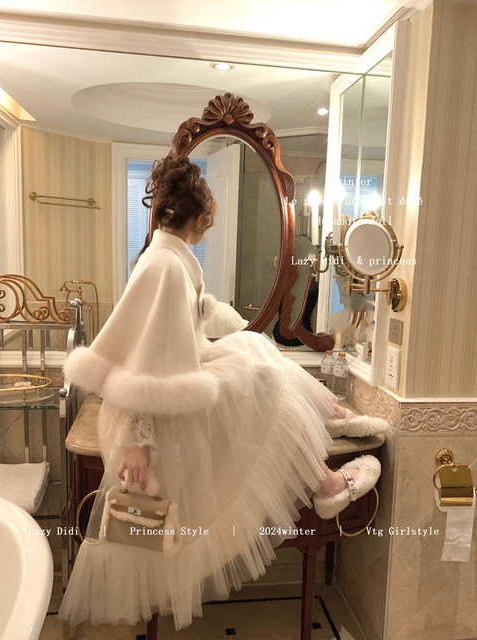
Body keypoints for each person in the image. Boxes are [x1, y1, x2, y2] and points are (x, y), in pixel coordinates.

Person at [59, 157, 387, 631]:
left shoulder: (167, 256)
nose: (208, 230)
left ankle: (329, 420)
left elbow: (175, 330)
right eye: (208, 221)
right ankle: (327, 480)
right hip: (153, 413)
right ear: (196, 217)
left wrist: (212, 315)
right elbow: (142, 359)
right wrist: (137, 439)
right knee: (261, 370)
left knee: (254, 349)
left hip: (173, 391)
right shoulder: (165, 265)